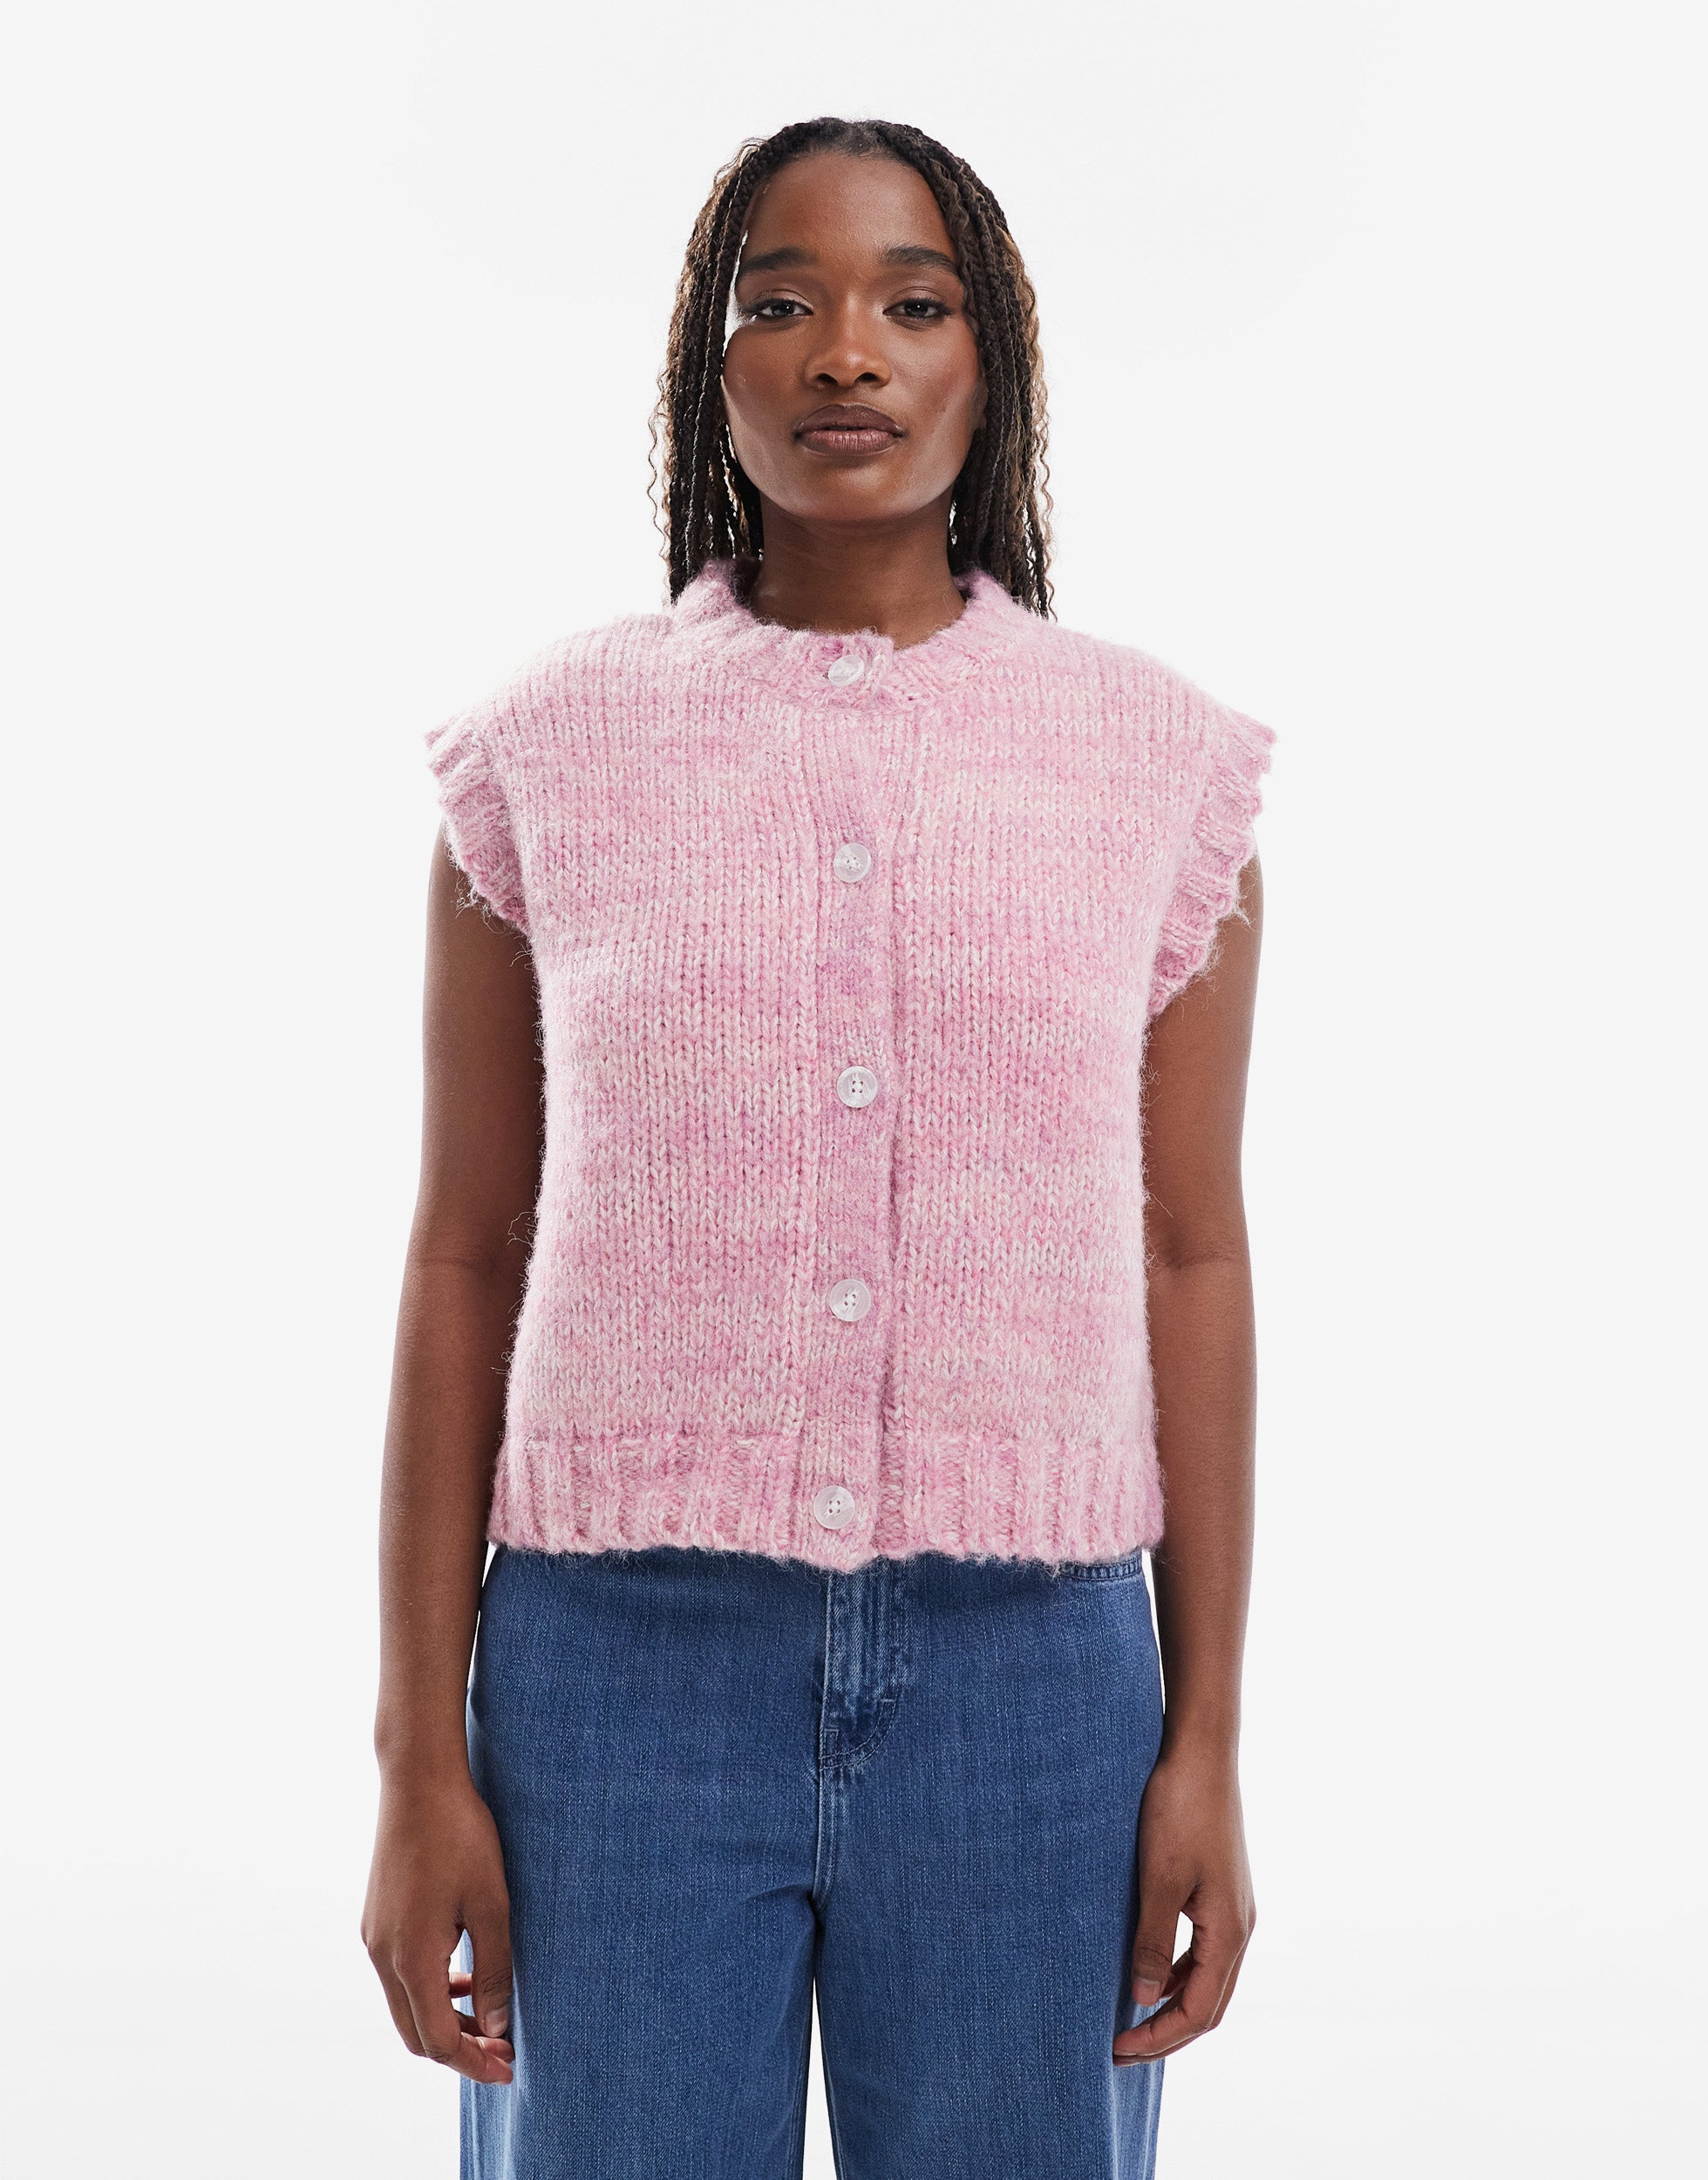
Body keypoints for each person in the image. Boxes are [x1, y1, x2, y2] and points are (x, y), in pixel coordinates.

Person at [362, 115, 1272, 2180]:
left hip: (1032, 1685)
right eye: (779, 301)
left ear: (988, 362)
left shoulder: (1154, 765)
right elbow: (462, 1247)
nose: (844, 349)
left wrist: (1205, 1731)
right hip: (613, 1678)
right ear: (708, 367)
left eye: (909, 302)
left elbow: (1191, 1253)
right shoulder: (546, 753)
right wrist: (419, 1750)